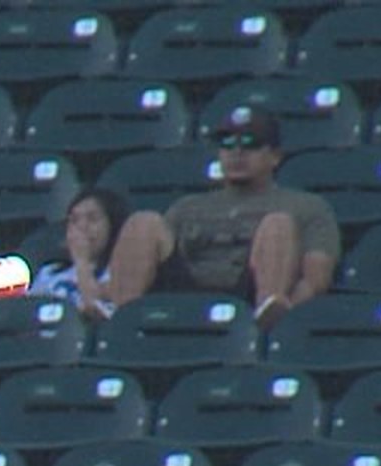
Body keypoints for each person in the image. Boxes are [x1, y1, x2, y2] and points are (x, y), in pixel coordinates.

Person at [103, 106, 339, 329]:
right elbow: (143, 262)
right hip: (188, 290)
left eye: (250, 144)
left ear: (275, 156)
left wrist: (290, 312)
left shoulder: (306, 205)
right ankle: (123, 318)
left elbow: (315, 278)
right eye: (228, 144)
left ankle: (268, 313)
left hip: (249, 291)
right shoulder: (187, 206)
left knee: (278, 223)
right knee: (143, 223)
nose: (237, 153)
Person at [29, 187, 131, 322]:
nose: (82, 226)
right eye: (74, 220)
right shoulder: (48, 274)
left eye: (93, 219)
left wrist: (82, 261)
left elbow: (98, 316)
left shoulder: (124, 273)